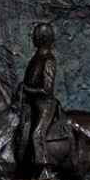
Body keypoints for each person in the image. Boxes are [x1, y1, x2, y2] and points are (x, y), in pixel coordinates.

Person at [20, 22, 66, 170]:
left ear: (42, 38)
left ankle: (44, 167)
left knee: (36, 134)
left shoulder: (48, 60)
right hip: (31, 103)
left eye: (36, 35)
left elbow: (47, 90)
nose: (33, 37)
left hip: (44, 104)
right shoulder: (36, 58)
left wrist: (26, 89)